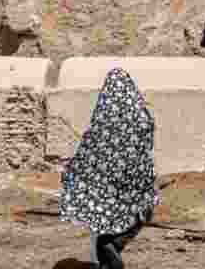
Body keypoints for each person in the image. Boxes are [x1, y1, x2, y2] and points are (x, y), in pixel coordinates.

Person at [59, 67, 160, 269]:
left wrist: (73, 167)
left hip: (108, 194)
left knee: (104, 240)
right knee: (115, 237)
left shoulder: (104, 119)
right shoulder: (142, 118)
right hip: (134, 190)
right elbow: (145, 151)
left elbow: (90, 150)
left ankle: (110, 263)